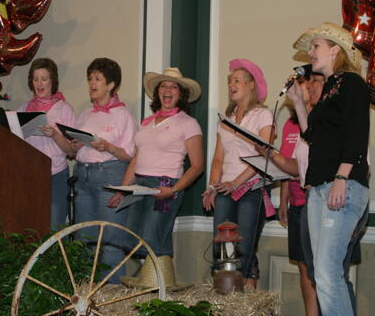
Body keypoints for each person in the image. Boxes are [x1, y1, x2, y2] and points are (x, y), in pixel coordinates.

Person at [287, 22, 369, 316]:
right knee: (320, 273)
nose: (310, 52)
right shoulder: (329, 90)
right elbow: (313, 138)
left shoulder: (352, 84)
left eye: (316, 46)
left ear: (336, 50)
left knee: (328, 272)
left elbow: (357, 134)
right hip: (319, 188)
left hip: (341, 184)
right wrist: (298, 104)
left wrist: (341, 177)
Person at [108, 67, 204, 287]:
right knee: (133, 238)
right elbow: (135, 160)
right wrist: (121, 191)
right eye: (163, 85)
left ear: (181, 94)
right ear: (157, 92)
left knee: (152, 238)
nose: (167, 90)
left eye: (173, 86)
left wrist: (175, 189)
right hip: (139, 186)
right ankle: (158, 286)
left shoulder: (188, 123)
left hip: (165, 186)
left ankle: (156, 289)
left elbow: (197, 166)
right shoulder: (146, 122)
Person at [201, 59, 275, 289]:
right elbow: (218, 160)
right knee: (222, 247)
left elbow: (265, 154)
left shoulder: (262, 115)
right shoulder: (227, 121)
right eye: (229, 81)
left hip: (251, 188)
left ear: (251, 85)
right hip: (225, 188)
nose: (231, 85)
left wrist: (236, 183)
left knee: (244, 248)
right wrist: (213, 186)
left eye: (236, 80)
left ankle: (245, 304)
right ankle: (225, 300)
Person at [71, 57, 137, 284]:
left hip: (109, 174)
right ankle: (87, 296)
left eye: (97, 79)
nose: (92, 83)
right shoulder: (85, 115)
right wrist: (76, 145)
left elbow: (130, 155)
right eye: (90, 79)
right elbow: (74, 149)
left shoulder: (122, 116)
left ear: (111, 85)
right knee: (85, 239)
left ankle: (113, 298)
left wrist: (108, 147)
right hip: (83, 175)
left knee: (110, 240)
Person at [266, 71, 325, 316]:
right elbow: (291, 164)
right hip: (297, 202)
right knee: (303, 265)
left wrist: (273, 156)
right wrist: (283, 199)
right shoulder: (291, 124)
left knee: (320, 267)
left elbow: (310, 166)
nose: (305, 89)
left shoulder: (320, 121)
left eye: (309, 84)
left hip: (318, 202)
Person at [17, 58, 75, 230]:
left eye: (44, 79)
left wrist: (55, 135)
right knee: (28, 225)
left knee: (53, 226)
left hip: (55, 173)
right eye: (35, 79)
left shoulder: (64, 109)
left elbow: (73, 152)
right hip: (28, 173)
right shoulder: (22, 108)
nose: (39, 84)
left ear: (52, 81)